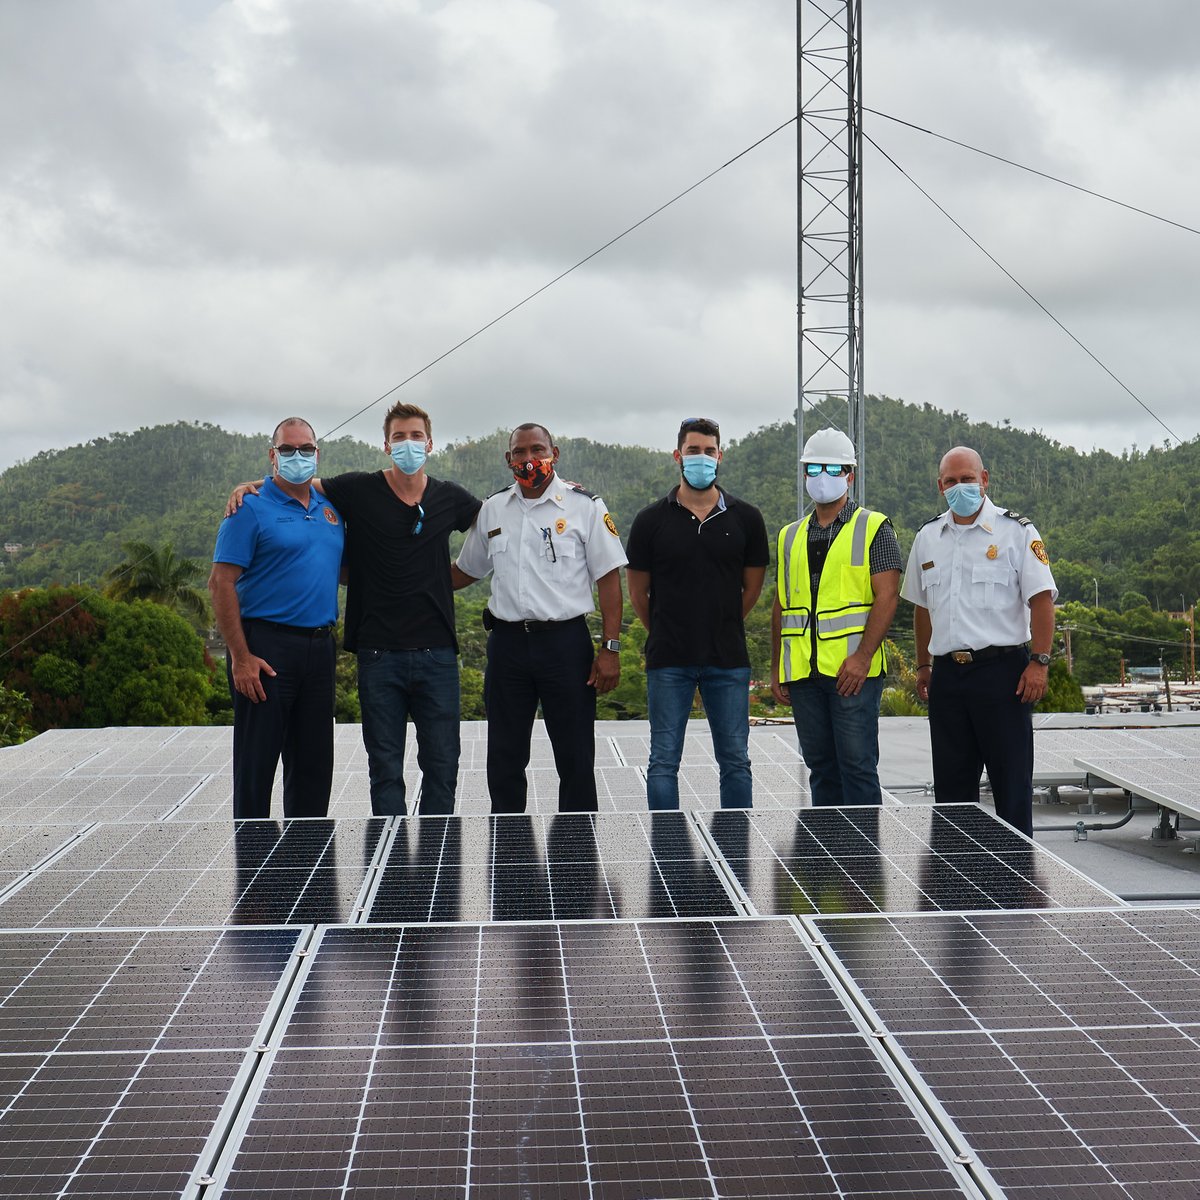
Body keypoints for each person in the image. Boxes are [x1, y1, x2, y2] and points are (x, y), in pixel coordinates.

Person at [227, 401, 481, 816]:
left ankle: (437, 858)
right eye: (399, 437)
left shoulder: (449, 497)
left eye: (416, 436)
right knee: (384, 770)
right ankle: (388, 864)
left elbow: (493, 525)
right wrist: (251, 484)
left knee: (440, 767)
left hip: (434, 653)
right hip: (375, 653)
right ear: (386, 445)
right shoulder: (357, 488)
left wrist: (454, 576)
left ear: (430, 443)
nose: (408, 444)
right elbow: (297, 481)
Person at [452, 423, 626, 813]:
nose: (529, 459)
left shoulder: (585, 506)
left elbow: (610, 579)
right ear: (508, 458)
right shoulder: (493, 509)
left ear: (555, 453)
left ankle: (577, 851)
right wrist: (409, 574)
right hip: (508, 646)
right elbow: (466, 571)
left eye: (537, 449)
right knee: (504, 756)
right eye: (519, 452)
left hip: (565, 645)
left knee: (575, 755)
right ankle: (509, 847)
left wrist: (610, 648)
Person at [902, 445, 1056, 837]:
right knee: (952, 793)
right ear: (940, 486)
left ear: (984, 479)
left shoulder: (1017, 532)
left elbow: (1041, 601)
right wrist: (923, 665)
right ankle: (957, 884)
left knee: (1011, 787)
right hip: (948, 679)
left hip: (1003, 676)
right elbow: (921, 608)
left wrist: (1039, 662)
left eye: (967, 479)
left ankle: (1017, 882)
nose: (960, 487)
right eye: (951, 481)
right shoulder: (928, 537)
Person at [625, 416, 769, 809]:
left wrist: (720, 622)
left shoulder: (747, 519)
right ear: (678, 456)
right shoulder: (650, 520)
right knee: (663, 762)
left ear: (720, 456)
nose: (701, 458)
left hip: (728, 659)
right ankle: (666, 853)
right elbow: (638, 592)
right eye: (693, 451)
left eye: (709, 451)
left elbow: (752, 588)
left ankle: (736, 851)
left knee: (736, 762)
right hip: (669, 659)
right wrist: (666, 628)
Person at [209, 417, 344, 819]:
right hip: (266, 650)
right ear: (272, 455)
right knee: (257, 765)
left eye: (305, 449)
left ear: (317, 454)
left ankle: (306, 867)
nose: (297, 456)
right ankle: (254, 870)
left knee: (313, 768)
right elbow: (220, 584)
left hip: (320, 650)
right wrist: (241, 657)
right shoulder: (248, 508)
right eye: (287, 450)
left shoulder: (330, 509)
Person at [770, 428, 901, 806]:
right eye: (813, 468)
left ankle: (861, 862)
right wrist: (779, 666)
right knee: (821, 768)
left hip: (851, 673)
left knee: (857, 767)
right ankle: (828, 858)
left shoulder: (874, 527)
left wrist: (861, 659)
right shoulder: (788, 536)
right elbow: (782, 605)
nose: (821, 476)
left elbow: (887, 596)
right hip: (804, 676)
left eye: (832, 468)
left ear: (850, 475)